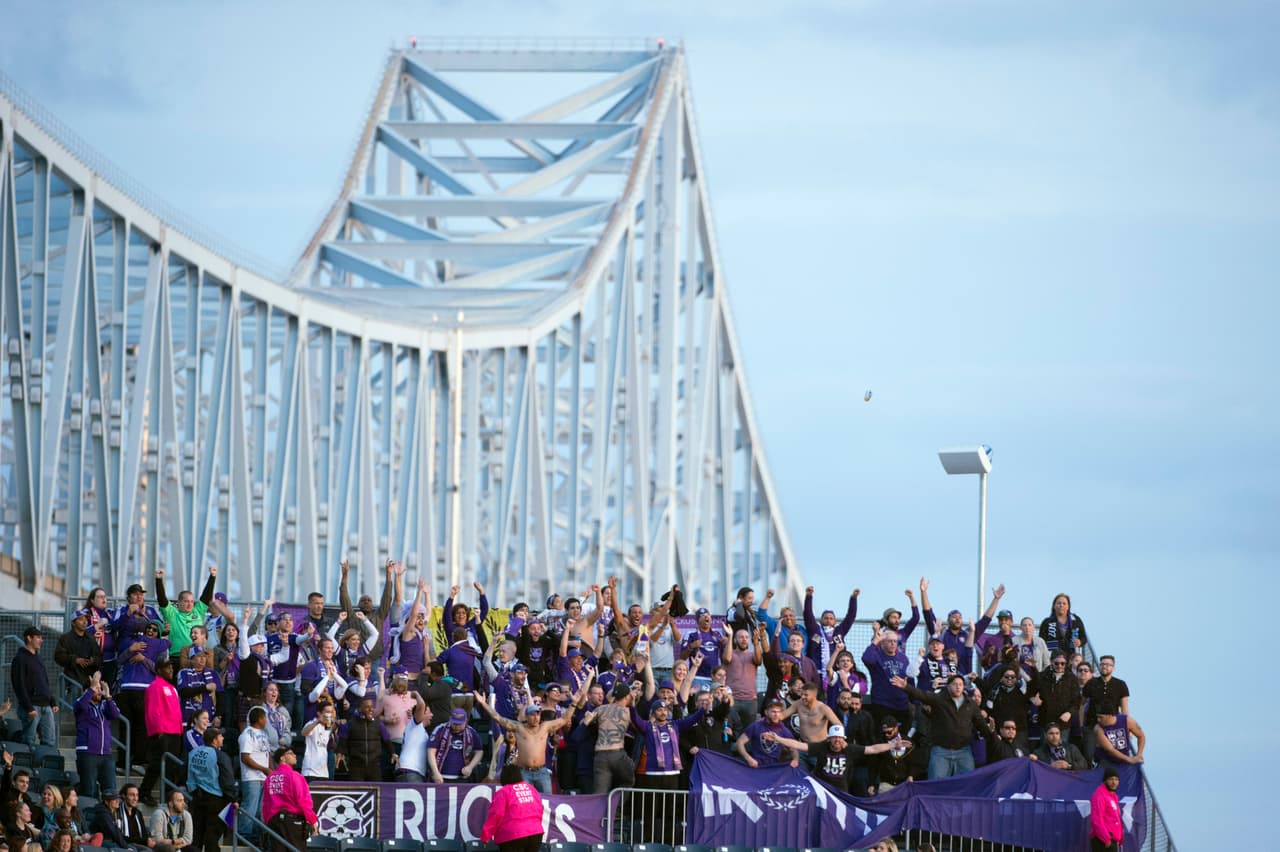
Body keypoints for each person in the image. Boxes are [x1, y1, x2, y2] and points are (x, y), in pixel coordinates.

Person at [473, 690, 573, 794]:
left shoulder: (545, 727)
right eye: (533, 715)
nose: (536, 717)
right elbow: (498, 718)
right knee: (525, 801)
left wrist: (574, 704)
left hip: (542, 771)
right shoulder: (519, 728)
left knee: (547, 801)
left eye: (538, 715)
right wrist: (484, 703)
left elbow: (565, 719)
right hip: (524, 772)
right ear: (526, 716)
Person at [893, 674, 983, 779]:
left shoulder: (970, 703)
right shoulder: (939, 699)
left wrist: (992, 734)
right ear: (948, 686)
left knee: (967, 784)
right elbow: (922, 695)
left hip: (964, 751)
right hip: (941, 751)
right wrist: (906, 687)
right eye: (955, 684)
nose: (958, 687)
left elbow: (981, 723)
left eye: (961, 684)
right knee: (936, 784)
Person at [767, 724, 901, 794]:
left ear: (844, 739)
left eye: (839, 737)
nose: (837, 740)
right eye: (834, 737)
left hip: (840, 790)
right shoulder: (821, 747)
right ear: (829, 738)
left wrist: (893, 745)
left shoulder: (850, 749)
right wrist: (778, 739)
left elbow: (873, 749)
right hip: (821, 788)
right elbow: (799, 745)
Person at [140, 658, 184, 805]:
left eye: (171, 667)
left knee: (171, 767)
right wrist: (158, 730)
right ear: (159, 670)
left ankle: (168, 797)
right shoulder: (155, 687)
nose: (171, 670)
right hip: (162, 732)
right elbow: (153, 710)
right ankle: (144, 792)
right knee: (157, 764)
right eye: (167, 668)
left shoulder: (171, 688)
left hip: (174, 732)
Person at [186, 727, 235, 852]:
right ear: (214, 740)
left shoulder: (193, 752)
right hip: (216, 799)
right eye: (220, 736)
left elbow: (184, 772)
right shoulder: (221, 756)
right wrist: (233, 799)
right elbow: (227, 779)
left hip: (196, 797)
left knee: (196, 833)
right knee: (212, 836)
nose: (222, 738)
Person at [154, 566, 218, 661]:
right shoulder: (171, 613)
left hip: (196, 656)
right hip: (176, 657)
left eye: (192, 601)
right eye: (186, 601)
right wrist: (159, 580)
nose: (190, 604)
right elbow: (162, 599)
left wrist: (212, 576)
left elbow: (206, 596)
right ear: (179, 602)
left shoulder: (198, 612)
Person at [261, 748, 318, 852]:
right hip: (293, 822)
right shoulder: (295, 776)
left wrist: (267, 821)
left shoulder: (270, 777)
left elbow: (266, 803)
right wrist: (312, 820)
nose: (295, 755)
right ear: (282, 758)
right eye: (291, 753)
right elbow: (303, 801)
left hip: (274, 821)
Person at [74, 673, 120, 798]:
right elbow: (82, 705)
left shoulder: (104, 706)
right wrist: (92, 688)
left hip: (106, 754)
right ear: (87, 690)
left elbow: (116, 714)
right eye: (96, 689)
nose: (99, 691)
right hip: (88, 753)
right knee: (89, 791)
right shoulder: (80, 703)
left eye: (99, 688)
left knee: (111, 792)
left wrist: (108, 696)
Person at [479, 764, 544, 852]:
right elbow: (540, 809)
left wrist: (486, 836)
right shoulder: (531, 788)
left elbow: (496, 815)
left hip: (513, 835)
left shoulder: (503, 792)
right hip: (536, 833)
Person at [10, 627, 57, 748]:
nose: (41, 640)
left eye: (41, 637)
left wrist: (52, 702)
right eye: (38, 637)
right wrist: (29, 708)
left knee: (49, 741)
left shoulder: (38, 658)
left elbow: (44, 682)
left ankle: (46, 766)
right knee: (28, 741)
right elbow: (19, 685)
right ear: (29, 638)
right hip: (31, 707)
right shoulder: (20, 659)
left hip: (46, 706)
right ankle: (25, 766)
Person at [238, 709, 272, 836]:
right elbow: (245, 757)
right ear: (259, 719)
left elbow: (267, 754)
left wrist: (271, 770)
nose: (266, 721)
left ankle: (256, 835)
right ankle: (243, 834)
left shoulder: (264, 733)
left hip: (263, 777)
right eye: (265, 718)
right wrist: (264, 769)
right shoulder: (247, 734)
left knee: (260, 809)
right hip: (251, 777)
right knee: (250, 807)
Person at [338, 698, 388, 783]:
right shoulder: (350, 724)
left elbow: (387, 740)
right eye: (367, 707)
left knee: (377, 792)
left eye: (372, 707)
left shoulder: (379, 724)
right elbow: (343, 741)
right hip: (356, 766)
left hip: (374, 766)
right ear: (360, 708)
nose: (370, 709)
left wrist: (393, 753)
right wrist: (340, 753)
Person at [426, 708, 482, 783]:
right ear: (450, 720)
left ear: (466, 721)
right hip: (441, 777)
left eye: (459, 724)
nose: (457, 727)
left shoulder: (471, 732)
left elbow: (479, 751)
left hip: (462, 778)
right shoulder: (440, 729)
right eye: (454, 723)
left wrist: (470, 767)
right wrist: (435, 772)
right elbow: (431, 751)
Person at [735, 699, 794, 768]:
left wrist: (795, 759)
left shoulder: (784, 729)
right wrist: (748, 758)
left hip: (775, 767)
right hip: (756, 765)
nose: (776, 714)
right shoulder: (755, 726)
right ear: (766, 712)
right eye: (773, 711)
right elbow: (739, 743)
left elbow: (794, 747)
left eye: (779, 712)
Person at [1037, 650, 1081, 741]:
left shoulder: (1072, 678)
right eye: (1056, 663)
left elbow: (1077, 700)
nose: (1059, 666)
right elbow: (1030, 692)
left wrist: (1069, 713)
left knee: (1062, 751)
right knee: (1044, 751)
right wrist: (1034, 698)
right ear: (1051, 662)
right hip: (1045, 720)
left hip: (1063, 723)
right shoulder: (1041, 676)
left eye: (1062, 663)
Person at [54, 613, 103, 689]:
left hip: (89, 683)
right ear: (73, 623)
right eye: (81, 619)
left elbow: (99, 657)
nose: (85, 622)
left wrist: (93, 660)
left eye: (86, 619)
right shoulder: (65, 638)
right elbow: (58, 657)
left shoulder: (91, 639)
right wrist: (75, 660)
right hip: (72, 681)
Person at [1094, 705, 1146, 770]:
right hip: (1107, 761)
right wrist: (1130, 760)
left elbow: (1141, 736)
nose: (1098, 720)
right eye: (1097, 717)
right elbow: (1111, 750)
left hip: (1124, 760)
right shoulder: (1098, 729)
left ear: (1110, 715)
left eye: (1101, 717)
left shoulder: (1127, 720)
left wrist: (1139, 754)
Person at [299, 700, 337, 782]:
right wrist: (317, 721)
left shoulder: (329, 727)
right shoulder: (312, 723)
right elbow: (303, 733)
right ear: (319, 713)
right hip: (310, 771)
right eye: (327, 712)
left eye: (331, 712)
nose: (329, 714)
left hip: (324, 772)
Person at [1089, 768, 1124, 851]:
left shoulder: (1114, 797)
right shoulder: (1099, 795)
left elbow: (1116, 819)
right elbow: (1096, 819)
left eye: (1116, 779)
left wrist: (1120, 838)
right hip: (1103, 841)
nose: (1114, 782)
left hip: (1113, 841)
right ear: (1105, 780)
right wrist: (1106, 840)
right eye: (1111, 779)